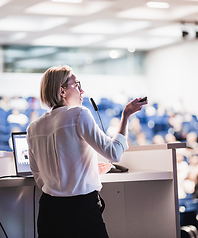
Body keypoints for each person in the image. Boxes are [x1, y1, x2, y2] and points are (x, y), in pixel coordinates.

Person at [27, 65, 147, 238]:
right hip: (80, 210)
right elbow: (114, 153)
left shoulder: (33, 127)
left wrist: (83, 171)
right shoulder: (78, 114)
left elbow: (39, 174)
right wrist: (126, 115)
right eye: (76, 84)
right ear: (62, 91)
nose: (82, 90)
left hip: (48, 211)